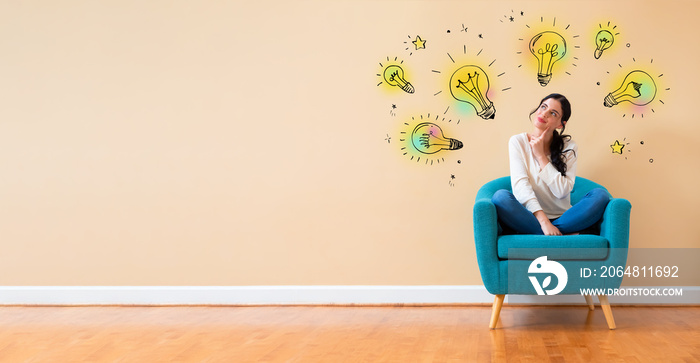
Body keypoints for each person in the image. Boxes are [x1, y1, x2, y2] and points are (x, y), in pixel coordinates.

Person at [491, 93, 609, 235]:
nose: (544, 113)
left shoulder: (569, 147)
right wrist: (544, 222)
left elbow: (561, 192)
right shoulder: (518, 142)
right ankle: (556, 232)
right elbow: (520, 187)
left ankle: (547, 232)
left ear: (561, 124)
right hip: (530, 217)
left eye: (553, 113)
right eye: (543, 107)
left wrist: (541, 156)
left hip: (565, 218)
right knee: (500, 197)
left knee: (600, 195)